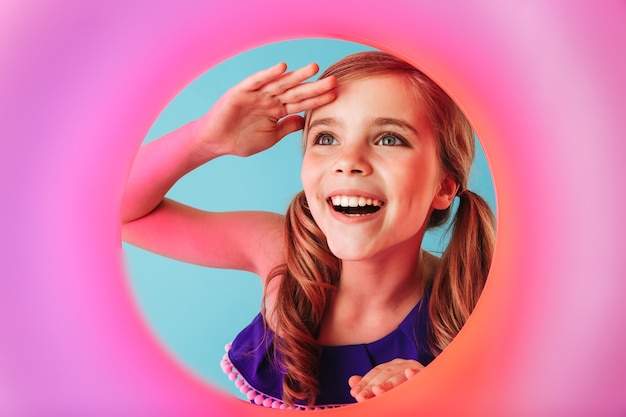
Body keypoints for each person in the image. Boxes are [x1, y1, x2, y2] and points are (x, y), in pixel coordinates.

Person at [121, 51, 495, 410]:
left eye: (389, 139)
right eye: (327, 138)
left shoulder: (480, 300)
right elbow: (114, 210)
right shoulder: (278, 253)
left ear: (444, 187)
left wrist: (443, 396)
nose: (347, 162)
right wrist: (204, 140)